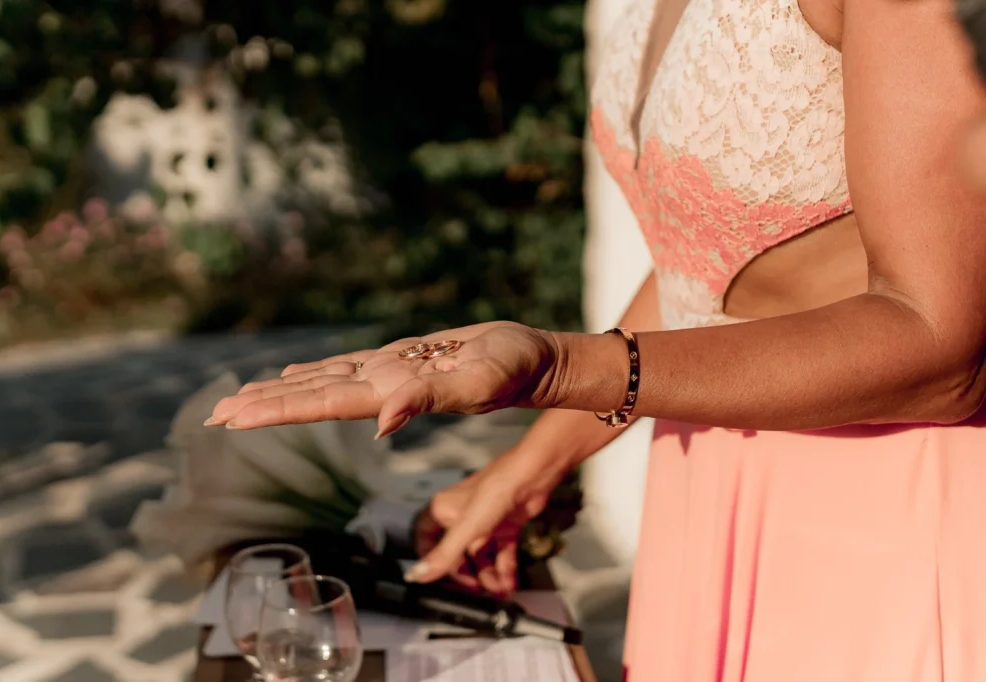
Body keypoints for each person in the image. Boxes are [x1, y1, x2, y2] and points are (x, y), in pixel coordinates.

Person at [206, 0, 986, 678]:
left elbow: (941, 344)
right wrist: (534, 463)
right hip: (707, 474)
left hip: (880, 506)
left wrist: (560, 367)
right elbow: (703, 268)